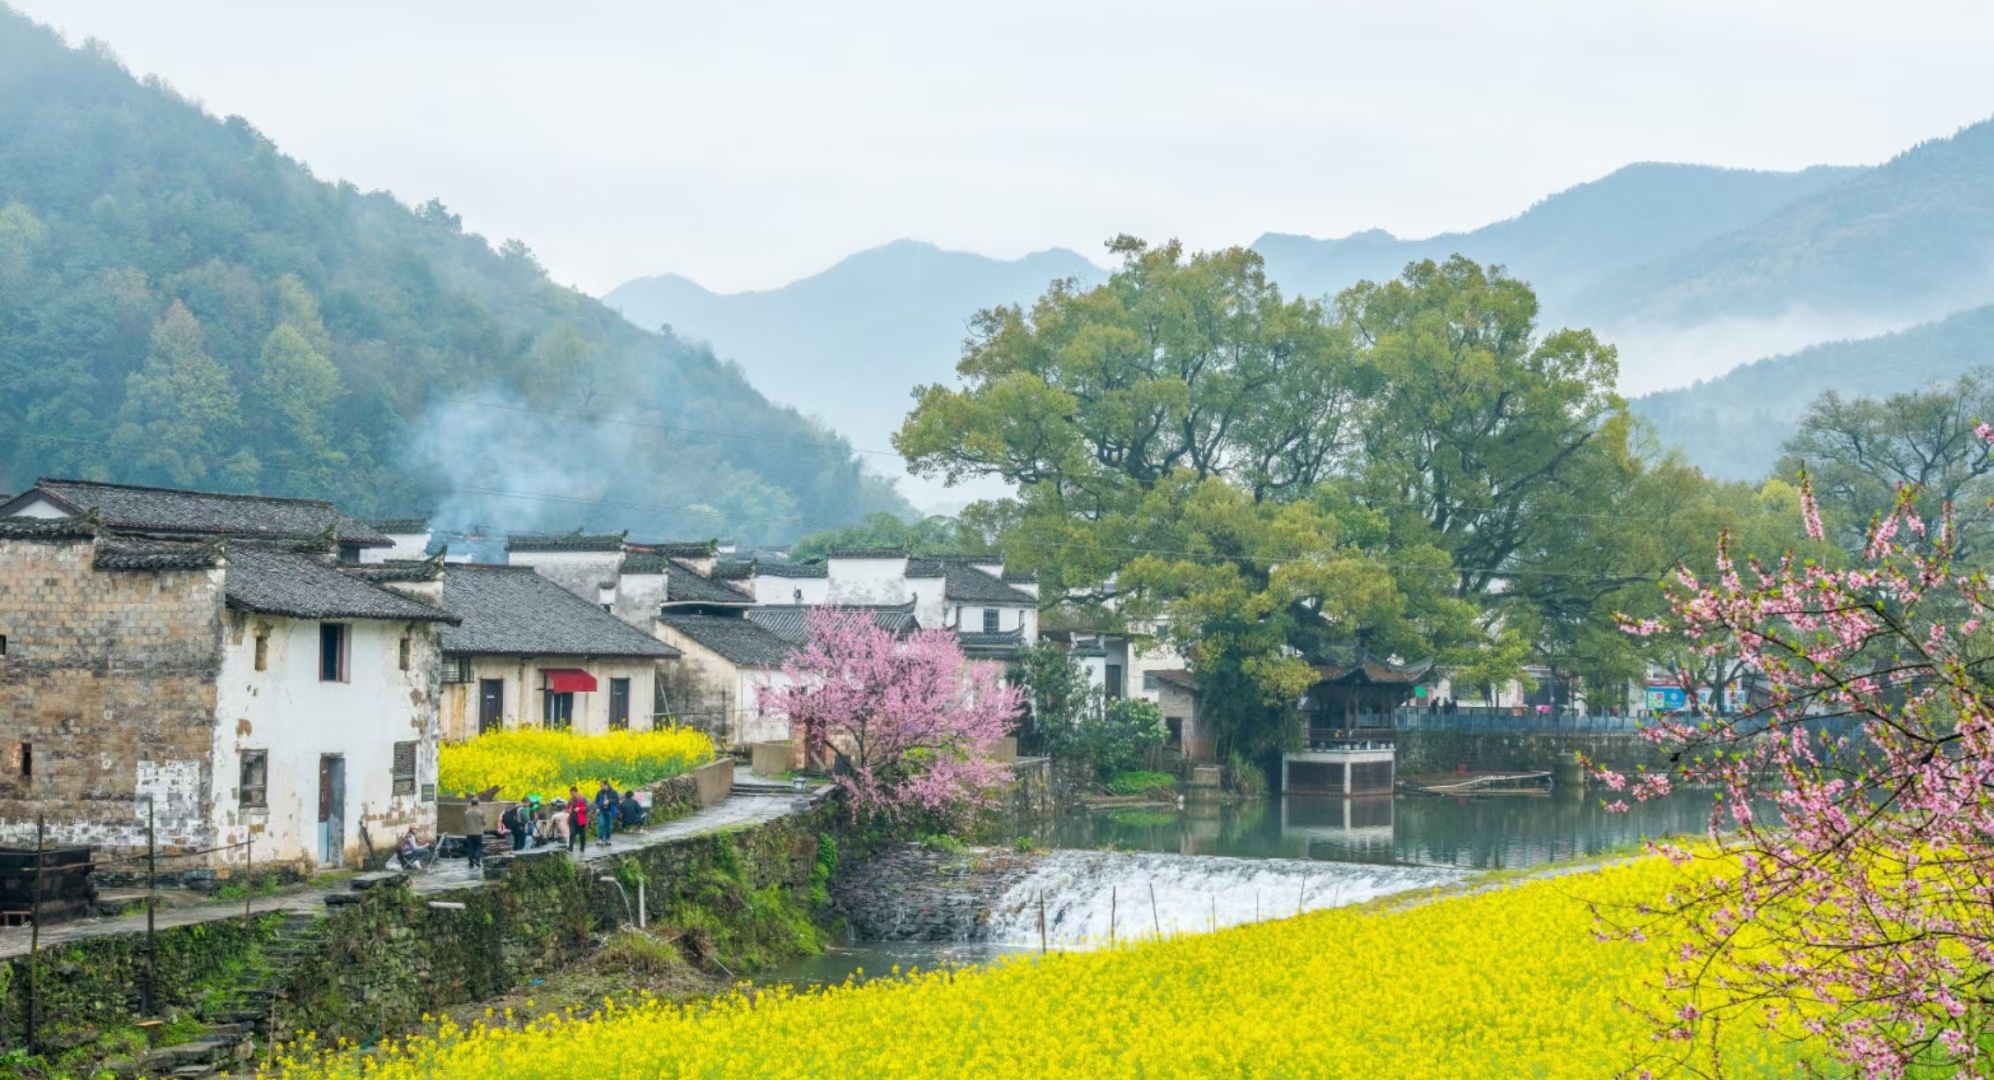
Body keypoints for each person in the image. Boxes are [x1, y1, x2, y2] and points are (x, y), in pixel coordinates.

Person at [462, 797, 486, 870]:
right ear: (478, 803)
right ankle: (477, 859)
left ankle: (471, 863)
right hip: (478, 832)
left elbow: (464, 822)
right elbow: (484, 823)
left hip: (469, 833)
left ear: (471, 804)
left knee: (470, 847)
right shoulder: (481, 812)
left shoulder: (466, 813)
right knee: (478, 846)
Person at [594, 780, 618, 846]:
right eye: (600, 786)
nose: (601, 787)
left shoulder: (613, 792)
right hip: (601, 810)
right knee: (601, 824)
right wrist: (597, 808)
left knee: (609, 826)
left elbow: (616, 800)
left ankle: (608, 839)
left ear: (606, 785)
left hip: (609, 810)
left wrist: (609, 801)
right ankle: (600, 839)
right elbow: (596, 801)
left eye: (602, 786)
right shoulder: (599, 793)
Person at [567, 785, 589, 854]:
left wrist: (579, 809)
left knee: (582, 835)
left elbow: (587, 808)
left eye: (573, 793)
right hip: (572, 819)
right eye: (571, 794)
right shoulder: (570, 800)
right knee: (572, 833)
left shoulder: (583, 799)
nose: (572, 795)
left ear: (576, 792)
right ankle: (570, 849)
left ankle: (582, 848)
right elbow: (568, 808)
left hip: (581, 820)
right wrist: (568, 810)